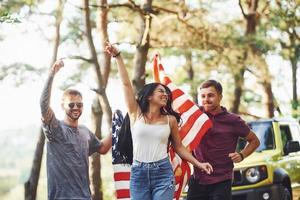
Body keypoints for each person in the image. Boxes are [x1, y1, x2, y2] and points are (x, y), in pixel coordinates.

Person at [105, 43, 213, 200]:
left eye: (166, 93)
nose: (165, 95)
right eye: (161, 91)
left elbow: (179, 148)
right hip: (139, 174)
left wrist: (199, 164)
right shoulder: (136, 114)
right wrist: (118, 56)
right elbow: (126, 84)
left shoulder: (170, 120)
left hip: (162, 172)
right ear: (149, 96)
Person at [40, 59, 112, 200]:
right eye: (71, 104)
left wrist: (116, 129)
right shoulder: (55, 129)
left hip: (85, 197)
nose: (75, 108)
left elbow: (102, 148)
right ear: (62, 106)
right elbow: (43, 105)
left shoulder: (85, 131)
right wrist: (52, 74)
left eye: (79, 105)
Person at [186, 79, 260, 200]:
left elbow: (255, 141)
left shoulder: (233, 120)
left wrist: (242, 155)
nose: (206, 99)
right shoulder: (196, 115)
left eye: (211, 95)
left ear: (220, 96)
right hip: (198, 178)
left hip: (221, 180)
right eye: (203, 96)